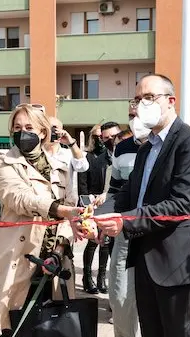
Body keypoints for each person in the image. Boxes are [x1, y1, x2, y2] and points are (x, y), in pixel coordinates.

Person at [93, 74, 190, 337]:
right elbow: (128, 194)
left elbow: (181, 204)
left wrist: (126, 221)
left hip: (175, 261)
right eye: (137, 99)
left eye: (149, 98)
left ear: (171, 101)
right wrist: (95, 217)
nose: (141, 104)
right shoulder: (147, 148)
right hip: (143, 258)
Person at [0, 104, 83, 336]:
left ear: (43, 132)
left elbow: (71, 210)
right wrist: (56, 208)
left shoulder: (60, 167)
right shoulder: (4, 162)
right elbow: (16, 197)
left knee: (53, 326)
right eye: (17, 127)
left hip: (54, 261)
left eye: (29, 127)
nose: (23, 133)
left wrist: (60, 249)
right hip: (18, 256)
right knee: (14, 325)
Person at [106, 102, 150, 337]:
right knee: (121, 294)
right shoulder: (121, 148)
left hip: (155, 232)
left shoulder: (169, 147)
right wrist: (100, 216)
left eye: (139, 114)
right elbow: (114, 190)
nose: (135, 119)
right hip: (123, 231)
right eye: (131, 115)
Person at [78, 121, 121, 294]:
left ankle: (101, 278)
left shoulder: (110, 157)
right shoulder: (86, 157)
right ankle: (87, 277)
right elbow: (82, 185)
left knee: (105, 243)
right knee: (92, 242)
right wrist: (88, 207)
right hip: (91, 203)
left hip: (108, 203)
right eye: (96, 137)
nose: (100, 140)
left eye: (101, 137)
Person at [45, 116, 89, 208]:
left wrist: (71, 143)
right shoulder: (37, 154)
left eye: (55, 128)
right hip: (43, 205)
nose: (52, 131)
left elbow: (82, 167)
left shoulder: (69, 154)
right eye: (47, 127)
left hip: (66, 205)